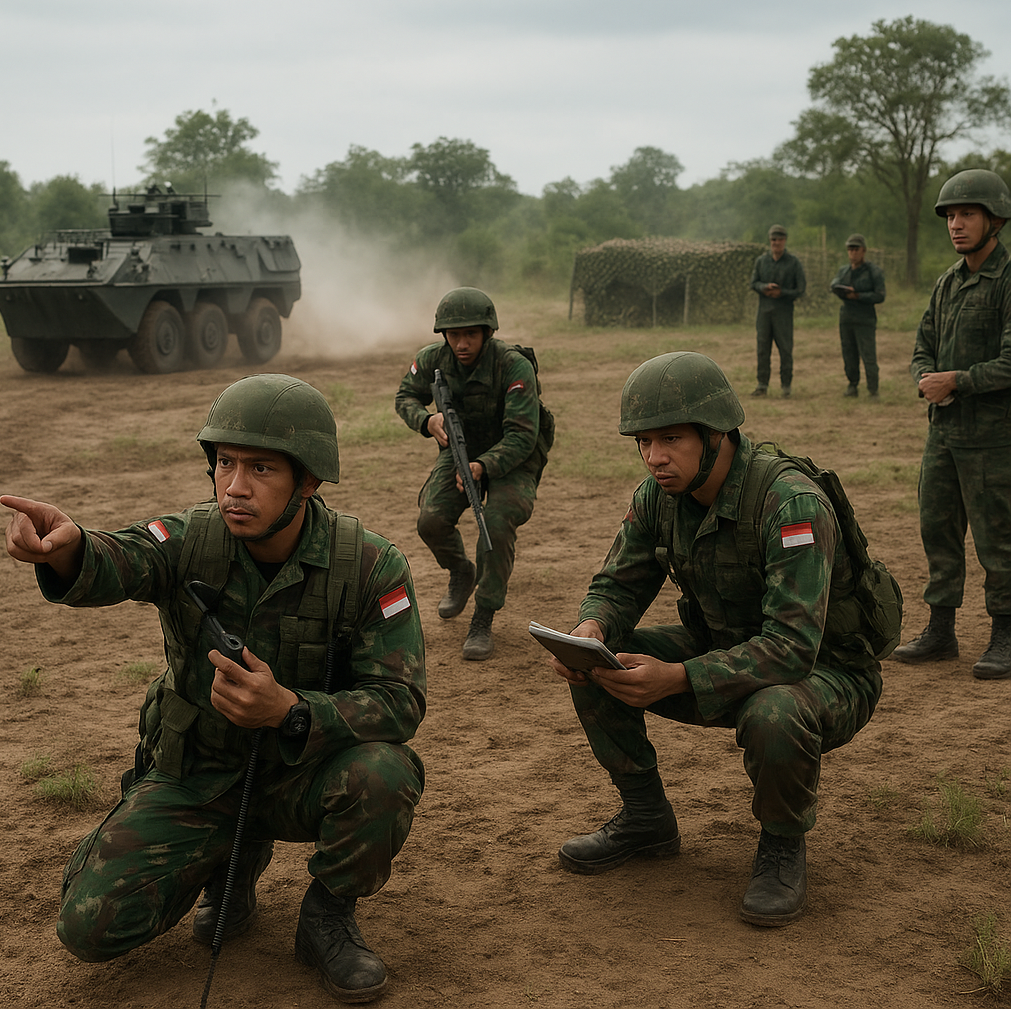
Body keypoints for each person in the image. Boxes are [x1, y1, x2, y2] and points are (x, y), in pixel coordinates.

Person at [0, 374, 427, 1003]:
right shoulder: (190, 540)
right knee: (89, 927)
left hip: (297, 775)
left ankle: (327, 917)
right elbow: (124, 557)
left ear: (308, 481)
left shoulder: (368, 566)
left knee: (384, 773)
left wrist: (291, 711)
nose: (235, 487)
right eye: (225, 462)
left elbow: (399, 701)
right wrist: (69, 551)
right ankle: (230, 859)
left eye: (261, 468)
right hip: (196, 775)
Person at [549, 351, 882, 927]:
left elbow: (792, 647)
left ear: (716, 434)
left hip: (825, 671)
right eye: (643, 442)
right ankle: (646, 818)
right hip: (724, 649)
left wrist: (679, 677)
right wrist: (592, 626)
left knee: (774, 711)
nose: (654, 457)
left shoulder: (789, 502)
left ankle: (782, 845)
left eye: (671, 439)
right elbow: (618, 585)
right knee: (597, 665)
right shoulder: (658, 497)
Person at [893, 168, 1011, 680]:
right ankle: (941, 630)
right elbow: (923, 345)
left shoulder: (1007, 280)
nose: (956, 224)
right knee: (937, 528)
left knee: (998, 539)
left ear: (995, 220)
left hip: (993, 438)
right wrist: (926, 376)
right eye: (950, 216)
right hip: (942, 433)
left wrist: (957, 381)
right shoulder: (948, 282)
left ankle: (1005, 634)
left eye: (967, 214)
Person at [395, 286, 552, 660]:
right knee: (431, 520)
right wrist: (426, 420)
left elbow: (523, 435)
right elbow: (405, 396)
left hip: (514, 457)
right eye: (454, 335)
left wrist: (482, 467)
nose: (462, 343)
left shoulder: (513, 366)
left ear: (488, 332)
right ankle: (461, 571)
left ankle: (483, 616)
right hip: (460, 451)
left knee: (495, 524)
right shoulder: (432, 359)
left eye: (470, 334)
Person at [749, 225, 806, 398]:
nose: (776, 243)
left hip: (783, 312)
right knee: (762, 349)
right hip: (764, 312)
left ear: (785, 240)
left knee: (785, 350)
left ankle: (786, 386)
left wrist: (782, 293)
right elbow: (753, 283)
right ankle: (762, 385)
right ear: (770, 241)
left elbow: (801, 289)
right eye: (773, 239)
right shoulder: (761, 261)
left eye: (779, 239)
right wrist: (764, 287)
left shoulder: (793, 262)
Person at [830, 233, 886, 399]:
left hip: (865, 317)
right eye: (850, 249)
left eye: (856, 249)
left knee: (868, 355)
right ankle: (852, 385)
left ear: (863, 251)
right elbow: (834, 284)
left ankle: (873, 389)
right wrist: (842, 291)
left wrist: (859, 295)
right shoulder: (844, 271)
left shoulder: (873, 271)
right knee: (849, 353)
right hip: (847, 316)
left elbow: (880, 295)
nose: (853, 252)